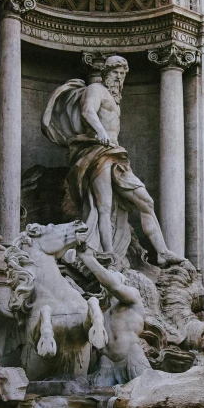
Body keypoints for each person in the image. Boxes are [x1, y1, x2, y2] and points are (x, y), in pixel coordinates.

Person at [42, 55, 182, 266]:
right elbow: (88, 111)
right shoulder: (96, 89)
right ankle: (108, 254)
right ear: (105, 73)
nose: (118, 78)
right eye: (115, 73)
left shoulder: (115, 100)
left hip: (116, 154)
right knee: (104, 207)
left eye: (122, 74)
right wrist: (100, 132)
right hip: (98, 152)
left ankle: (162, 252)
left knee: (146, 202)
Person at [78, 247, 151, 385]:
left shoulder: (133, 298)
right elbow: (86, 335)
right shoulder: (103, 313)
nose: (108, 275)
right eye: (107, 274)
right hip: (106, 363)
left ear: (123, 281)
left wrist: (88, 259)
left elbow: (114, 287)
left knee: (145, 393)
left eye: (112, 274)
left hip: (131, 358)